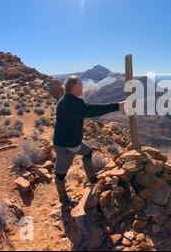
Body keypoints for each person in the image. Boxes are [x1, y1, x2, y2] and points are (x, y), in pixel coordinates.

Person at [53, 75, 124, 207]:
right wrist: (118, 106)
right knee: (61, 173)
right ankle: (64, 201)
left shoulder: (67, 100)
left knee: (87, 151)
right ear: (74, 87)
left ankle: (91, 178)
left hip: (70, 142)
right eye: (80, 84)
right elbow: (93, 109)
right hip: (66, 145)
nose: (83, 86)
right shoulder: (73, 103)